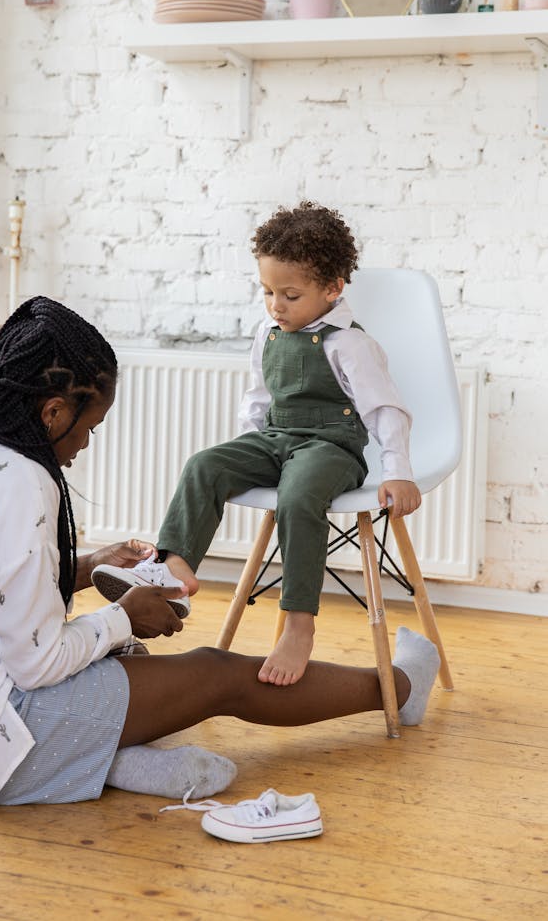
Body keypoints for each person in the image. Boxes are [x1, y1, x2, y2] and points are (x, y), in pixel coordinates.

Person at [0, 295, 438, 813]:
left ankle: (100, 763)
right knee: (216, 674)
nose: (86, 444)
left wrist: (87, 567)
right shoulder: (26, 482)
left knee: (130, 661)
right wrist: (125, 615)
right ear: (52, 413)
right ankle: (399, 689)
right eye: (89, 425)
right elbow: (35, 663)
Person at [93, 202, 421, 687]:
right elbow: (258, 398)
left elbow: (384, 409)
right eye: (267, 291)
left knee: (298, 493)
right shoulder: (267, 333)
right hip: (275, 440)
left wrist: (398, 469)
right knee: (205, 465)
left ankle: (298, 624)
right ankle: (174, 569)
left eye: (290, 294)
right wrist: (246, 455)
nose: (276, 305)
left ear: (333, 289)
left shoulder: (350, 343)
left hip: (331, 449)